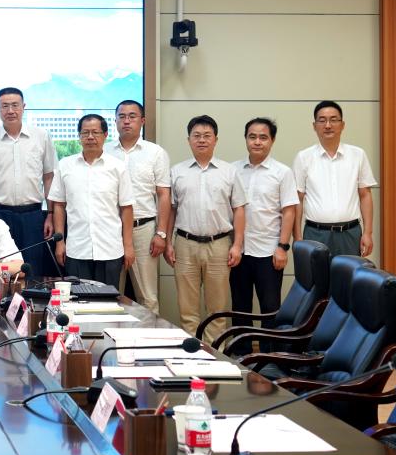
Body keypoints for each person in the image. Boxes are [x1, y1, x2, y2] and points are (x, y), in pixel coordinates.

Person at [165, 115, 246, 342]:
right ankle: (192, 354)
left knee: (217, 311)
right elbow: (171, 210)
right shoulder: (177, 171)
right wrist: (168, 242)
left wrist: (237, 245)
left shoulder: (229, 171)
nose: (202, 140)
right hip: (185, 244)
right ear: (189, 140)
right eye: (196, 136)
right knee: (187, 309)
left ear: (215, 140)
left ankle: (215, 355)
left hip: (219, 245)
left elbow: (239, 209)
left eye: (207, 136)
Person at [232, 117, 298, 351]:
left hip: (269, 251)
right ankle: (241, 356)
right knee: (240, 308)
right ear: (245, 139)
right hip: (239, 251)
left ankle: (269, 358)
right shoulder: (233, 170)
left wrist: (283, 247)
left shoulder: (282, 172)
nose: (257, 142)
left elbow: (289, 211)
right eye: (252, 137)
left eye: (263, 137)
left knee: (270, 308)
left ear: (272, 140)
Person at [49, 114, 134, 289]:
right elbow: (59, 205)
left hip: (110, 248)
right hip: (77, 248)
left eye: (95, 132)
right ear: (79, 136)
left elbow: (126, 208)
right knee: (78, 298)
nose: (90, 137)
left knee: (108, 299)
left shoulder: (117, 167)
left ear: (105, 135)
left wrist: (128, 246)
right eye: (85, 133)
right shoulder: (65, 165)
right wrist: (60, 242)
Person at [0, 87, 56, 276]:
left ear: (23, 107)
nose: (10, 110)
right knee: (0, 270)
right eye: (5, 106)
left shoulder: (41, 136)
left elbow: (49, 177)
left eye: (15, 105)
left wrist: (50, 214)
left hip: (33, 215)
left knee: (32, 268)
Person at [106, 100, 171, 311]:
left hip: (144, 229)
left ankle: (151, 333)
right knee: (111, 294)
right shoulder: (104, 151)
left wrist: (161, 234)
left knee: (148, 296)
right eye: (122, 116)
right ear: (115, 121)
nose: (127, 121)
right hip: (111, 230)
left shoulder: (156, 153)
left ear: (142, 121)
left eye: (132, 116)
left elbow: (164, 195)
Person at [293, 100, 377, 258]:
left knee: (350, 274)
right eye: (322, 120)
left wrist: (367, 233)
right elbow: (298, 199)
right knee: (316, 275)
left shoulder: (358, 155)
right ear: (314, 126)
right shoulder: (303, 157)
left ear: (342, 125)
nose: (328, 125)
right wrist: (297, 237)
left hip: (350, 234)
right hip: (315, 234)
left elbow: (365, 195)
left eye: (333, 120)